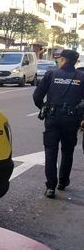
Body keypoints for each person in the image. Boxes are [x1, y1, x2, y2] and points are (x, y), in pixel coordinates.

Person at [33, 49, 84, 198]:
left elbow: (37, 96)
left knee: (51, 152)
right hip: (72, 120)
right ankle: (62, 182)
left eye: (59, 58)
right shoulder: (81, 77)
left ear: (63, 60)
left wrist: (43, 107)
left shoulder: (51, 74)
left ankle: (50, 187)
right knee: (68, 152)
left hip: (53, 118)